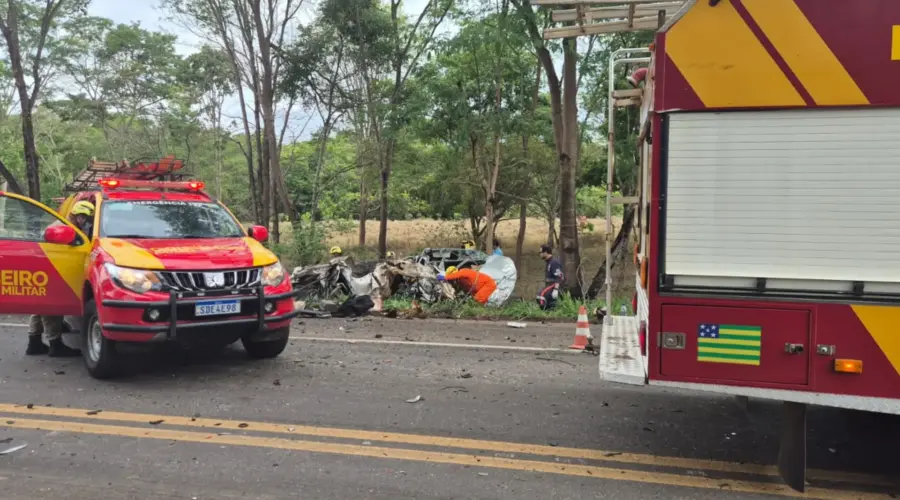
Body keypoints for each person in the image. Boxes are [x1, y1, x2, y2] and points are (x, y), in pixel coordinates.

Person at [27, 200, 95, 357]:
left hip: (44, 268)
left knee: (39, 306)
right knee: (52, 307)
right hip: (52, 270)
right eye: (88, 219)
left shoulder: (62, 225)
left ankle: (34, 342)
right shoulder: (65, 229)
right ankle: (55, 344)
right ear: (80, 217)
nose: (88, 224)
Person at [537, 244, 564, 310]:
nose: (539, 254)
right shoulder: (548, 262)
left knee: (541, 296)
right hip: (549, 287)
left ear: (545, 252)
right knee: (540, 299)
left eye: (540, 252)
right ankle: (547, 313)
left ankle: (552, 313)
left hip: (553, 287)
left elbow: (559, 276)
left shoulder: (554, 262)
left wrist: (556, 290)